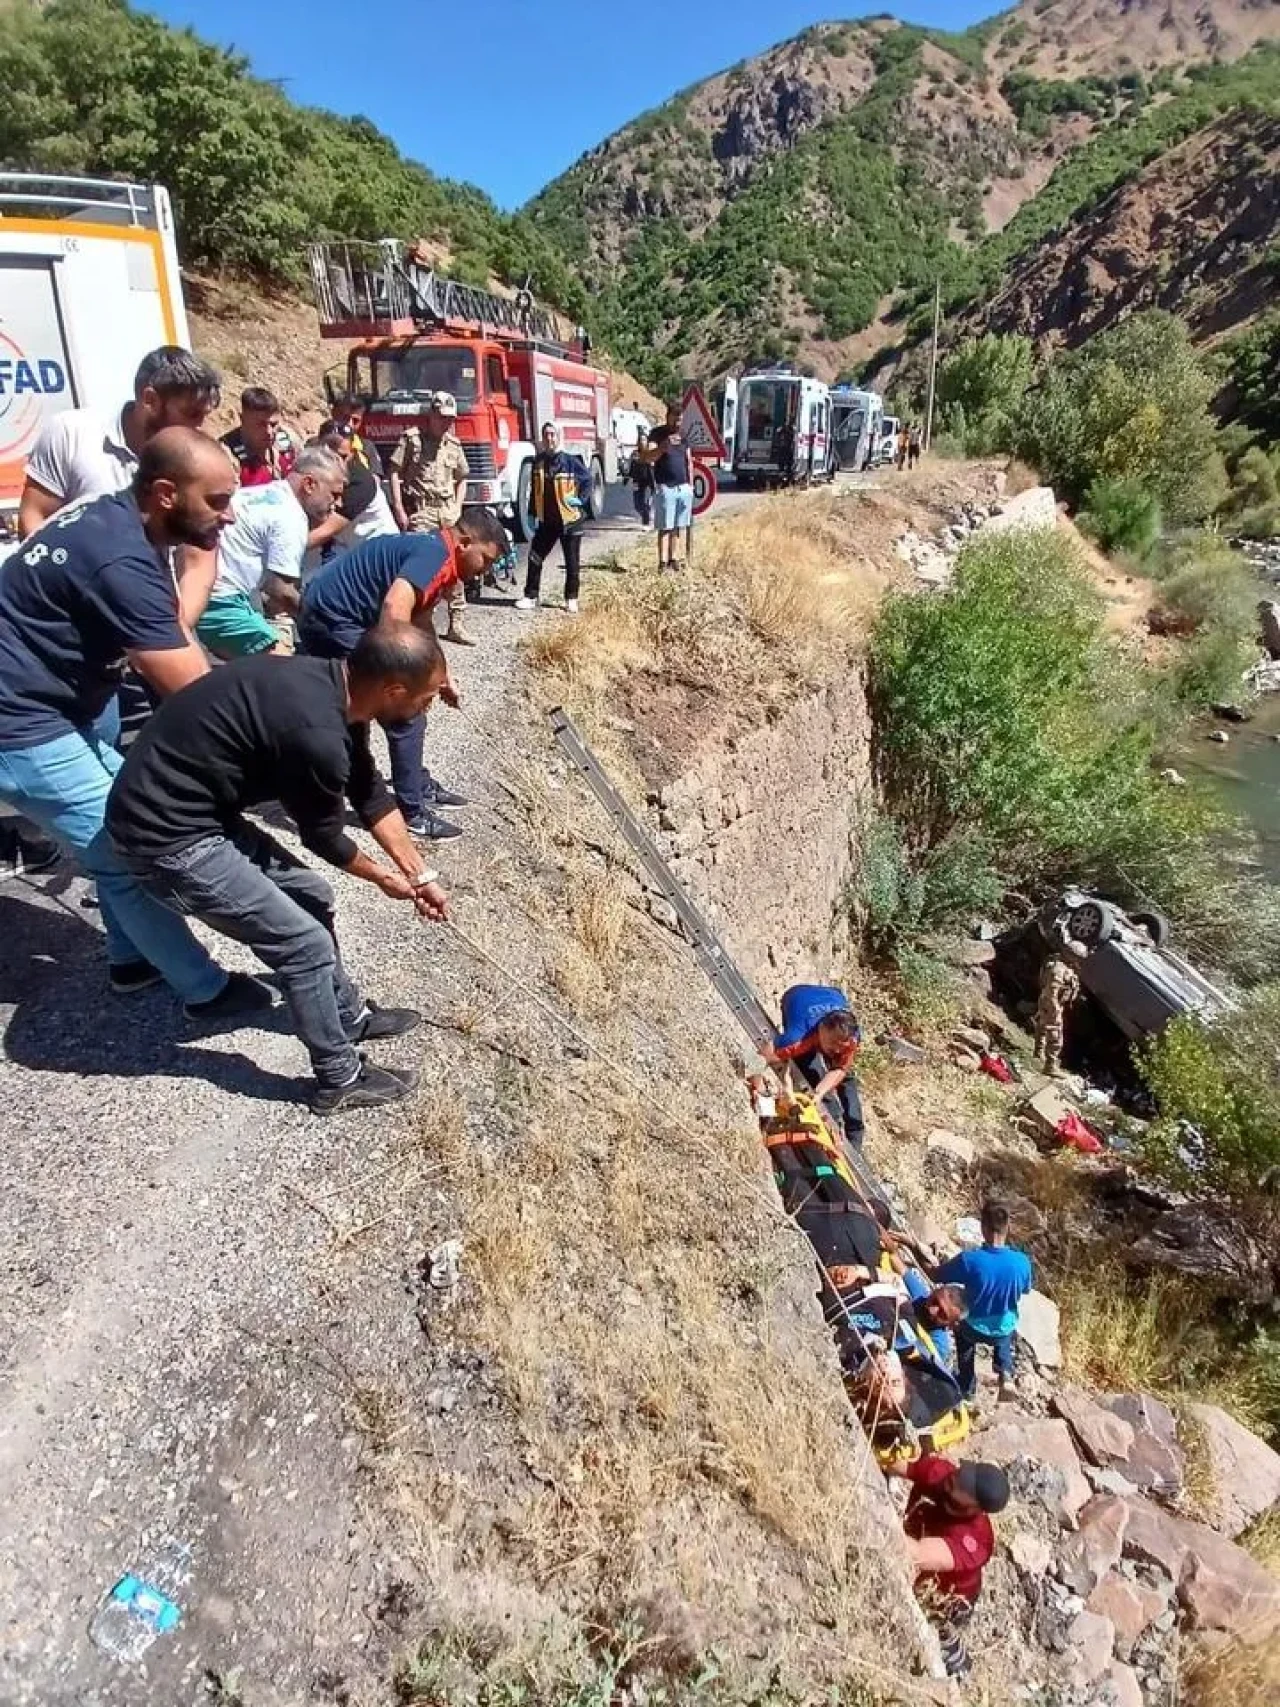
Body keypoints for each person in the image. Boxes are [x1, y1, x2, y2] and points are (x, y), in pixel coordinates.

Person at [109, 624, 450, 1113]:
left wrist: (421, 876)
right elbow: (324, 836)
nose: (427, 708)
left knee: (313, 896)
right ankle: (339, 1077)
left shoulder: (341, 689)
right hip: (164, 837)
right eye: (426, 698)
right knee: (302, 944)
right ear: (394, 689)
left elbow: (369, 791)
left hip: (200, 815)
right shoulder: (315, 731)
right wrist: (382, 878)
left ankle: (347, 1015)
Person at [0, 427, 272, 1019]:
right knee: (127, 847)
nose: (229, 518)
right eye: (218, 502)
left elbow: (172, 624)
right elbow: (194, 694)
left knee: (116, 827)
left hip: (59, 705)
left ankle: (131, 960)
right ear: (167, 493)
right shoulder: (121, 557)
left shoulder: (119, 520)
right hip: (19, 724)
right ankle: (205, 990)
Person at [296, 512, 508, 840]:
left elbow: (420, 622)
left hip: (341, 616)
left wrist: (441, 675)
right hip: (330, 618)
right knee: (404, 712)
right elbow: (395, 609)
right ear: (465, 543)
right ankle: (411, 810)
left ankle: (417, 785)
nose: (486, 570)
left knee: (403, 703)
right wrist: (407, 682)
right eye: (486, 560)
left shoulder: (440, 558)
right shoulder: (435, 555)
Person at [17, 346, 223, 537]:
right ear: (150, 400)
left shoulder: (195, 459)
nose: (199, 427)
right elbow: (33, 517)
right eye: (191, 413)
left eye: (204, 415)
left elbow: (198, 556)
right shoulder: (71, 433)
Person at [192, 447, 347, 658]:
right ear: (309, 484)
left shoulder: (261, 493)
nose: (338, 504)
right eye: (334, 495)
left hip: (200, 593)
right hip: (221, 603)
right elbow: (281, 591)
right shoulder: (291, 517)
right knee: (281, 671)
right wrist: (326, 619)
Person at [887, 1454, 1010, 1677]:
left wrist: (878, 1516)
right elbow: (894, 1463)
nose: (957, 1477)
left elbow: (915, 1554)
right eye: (964, 1474)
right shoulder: (943, 1473)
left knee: (935, 1626)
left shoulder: (975, 1542)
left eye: (964, 1484)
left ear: (975, 1506)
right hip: (920, 1547)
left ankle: (953, 1652)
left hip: (949, 1596)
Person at [388, 391, 474, 645]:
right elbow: (394, 472)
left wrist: (458, 507)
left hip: (447, 512)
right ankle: (419, 624)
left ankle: (456, 623)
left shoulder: (453, 445)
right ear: (431, 416)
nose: (446, 423)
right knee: (421, 569)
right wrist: (399, 508)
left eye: (450, 419)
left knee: (455, 567)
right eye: (441, 418)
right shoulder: (412, 440)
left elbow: (462, 478)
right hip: (422, 512)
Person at [933, 1200, 1033, 1403]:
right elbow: (1026, 1289)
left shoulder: (970, 1260)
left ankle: (967, 1386)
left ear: (983, 1227)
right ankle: (1005, 1372)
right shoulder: (1022, 1262)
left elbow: (939, 1275)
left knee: (963, 1335)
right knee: (1007, 1324)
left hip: (972, 1326)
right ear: (1008, 1227)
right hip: (1002, 1329)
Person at [761, 983, 864, 1149]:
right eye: (832, 1043)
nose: (837, 1049)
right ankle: (832, 1126)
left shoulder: (850, 1038)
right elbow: (771, 1055)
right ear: (822, 1029)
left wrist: (819, 1092)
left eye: (841, 1046)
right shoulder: (798, 1037)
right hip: (796, 996)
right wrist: (787, 1089)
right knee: (810, 1070)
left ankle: (855, 1142)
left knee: (847, 1082)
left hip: (832, 994)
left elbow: (840, 1069)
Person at [515, 423, 591, 614]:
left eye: (553, 435)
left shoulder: (570, 462)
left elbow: (588, 480)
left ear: (559, 437)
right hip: (547, 521)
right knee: (535, 557)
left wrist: (580, 500)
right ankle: (531, 596)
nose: (549, 438)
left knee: (572, 562)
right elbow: (534, 491)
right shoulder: (538, 462)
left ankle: (571, 598)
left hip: (570, 521)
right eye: (546, 435)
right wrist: (532, 513)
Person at [642, 403, 694, 571]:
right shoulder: (657, 434)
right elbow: (648, 457)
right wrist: (663, 447)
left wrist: (691, 485)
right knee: (665, 526)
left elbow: (689, 460)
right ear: (668, 416)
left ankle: (674, 559)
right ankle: (662, 562)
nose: (677, 423)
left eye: (680, 420)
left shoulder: (684, 435)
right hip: (665, 486)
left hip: (683, 487)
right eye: (674, 419)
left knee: (678, 526)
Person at [220, 386, 299, 488]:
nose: (269, 431)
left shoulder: (288, 439)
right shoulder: (226, 454)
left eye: (274, 424)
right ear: (243, 419)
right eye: (260, 425)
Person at [1035, 941, 1085, 1074]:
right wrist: (1055, 1008)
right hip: (1052, 1003)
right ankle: (1050, 1066)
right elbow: (1052, 990)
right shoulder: (1059, 969)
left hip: (1050, 1002)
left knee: (1043, 1024)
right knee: (1056, 1035)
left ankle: (1038, 1051)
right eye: (1078, 957)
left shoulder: (1061, 964)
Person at [630, 444, 655, 530]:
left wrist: (653, 486)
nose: (642, 442)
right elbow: (632, 467)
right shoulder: (634, 453)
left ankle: (646, 522)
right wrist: (627, 477)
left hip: (648, 483)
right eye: (640, 440)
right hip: (637, 483)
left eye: (644, 440)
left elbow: (652, 471)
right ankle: (646, 516)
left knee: (647, 504)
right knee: (637, 505)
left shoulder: (650, 454)